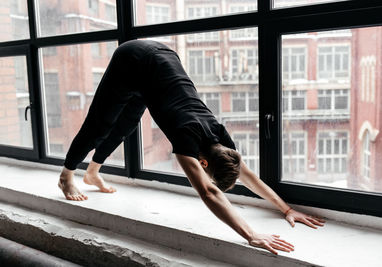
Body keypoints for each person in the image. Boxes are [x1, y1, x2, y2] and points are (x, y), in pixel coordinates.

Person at [58, 40, 325, 255]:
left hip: (162, 60)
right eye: (205, 171)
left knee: (126, 124)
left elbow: (249, 177)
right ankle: (67, 176)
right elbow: (208, 193)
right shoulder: (187, 136)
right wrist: (251, 235)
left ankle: (93, 173)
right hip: (133, 59)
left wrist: (286, 209)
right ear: (204, 164)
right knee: (100, 125)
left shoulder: (220, 139)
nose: (203, 173)